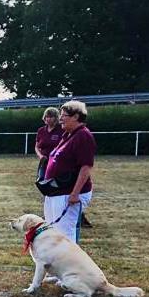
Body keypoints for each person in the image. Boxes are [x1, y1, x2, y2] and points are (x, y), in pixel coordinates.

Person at [43, 100, 96, 243]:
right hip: (56, 191)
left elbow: (86, 167)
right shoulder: (68, 135)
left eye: (64, 115)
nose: (60, 118)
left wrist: (75, 193)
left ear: (76, 117)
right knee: (53, 230)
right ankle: (55, 257)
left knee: (64, 233)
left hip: (68, 192)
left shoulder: (83, 136)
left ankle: (67, 257)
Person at [34, 107, 62, 180]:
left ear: (56, 118)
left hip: (57, 163)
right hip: (44, 162)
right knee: (41, 181)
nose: (48, 119)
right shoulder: (41, 130)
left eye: (50, 117)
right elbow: (36, 147)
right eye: (46, 116)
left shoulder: (62, 129)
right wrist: (40, 156)